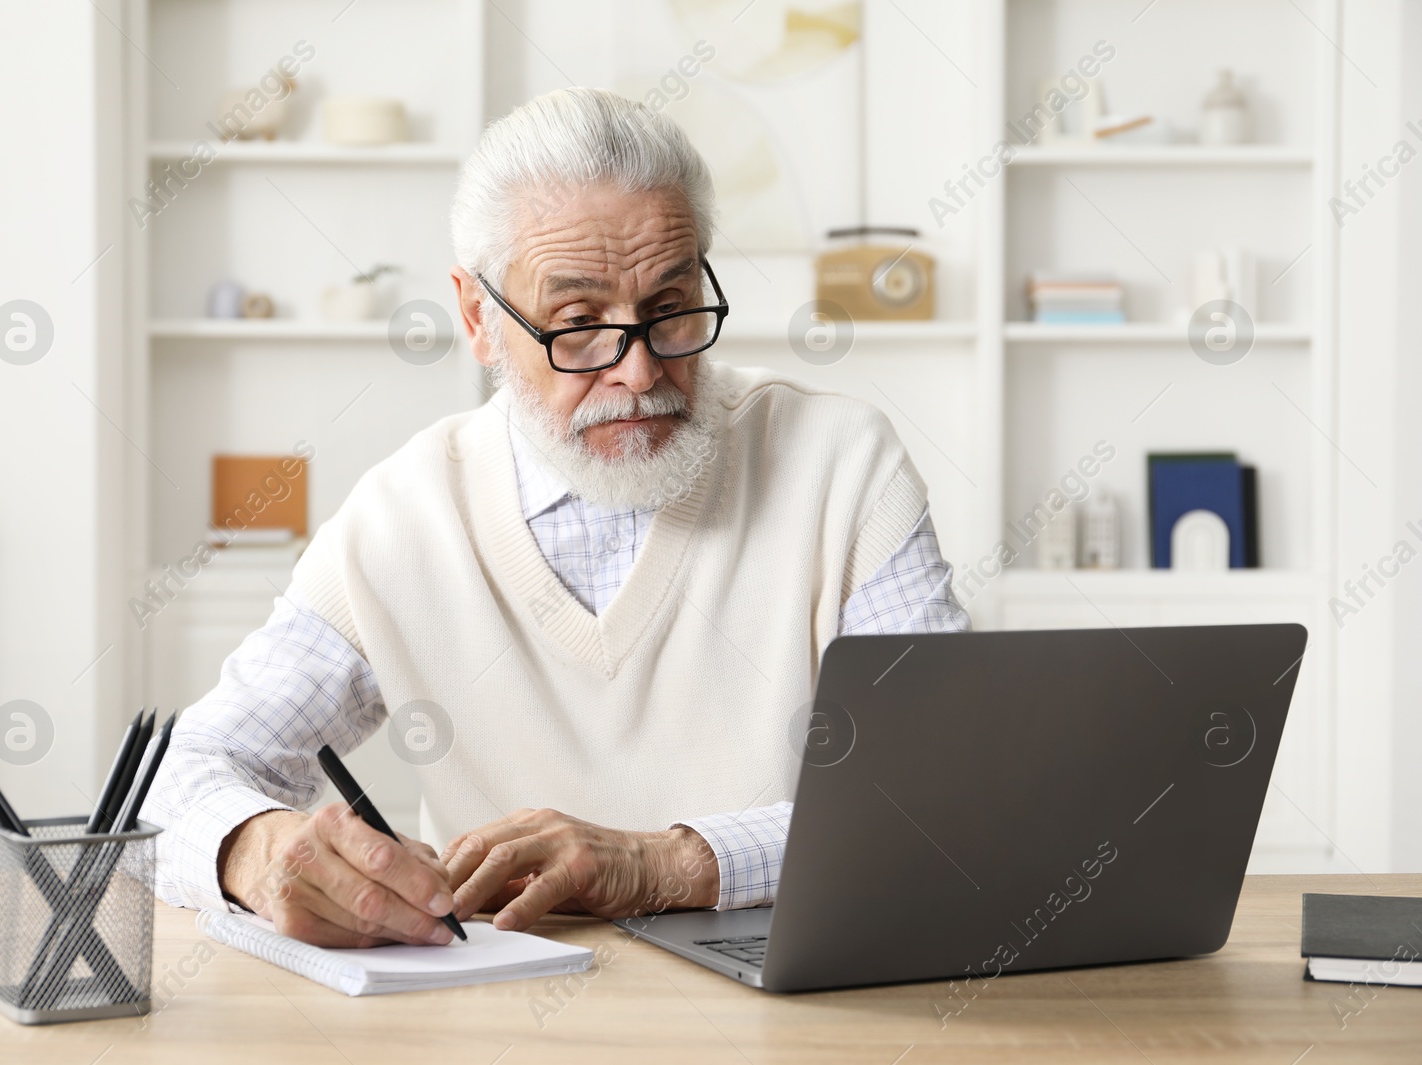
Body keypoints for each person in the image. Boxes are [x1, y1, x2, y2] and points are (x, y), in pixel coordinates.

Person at [144, 86, 969, 948]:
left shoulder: (842, 465)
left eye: (670, 308)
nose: (641, 371)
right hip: (502, 1016)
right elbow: (173, 780)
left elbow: (950, 787)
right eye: (577, 325)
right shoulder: (402, 521)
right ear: (477, 318)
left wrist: (664, 865)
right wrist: (254, 849)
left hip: (797, 1014)